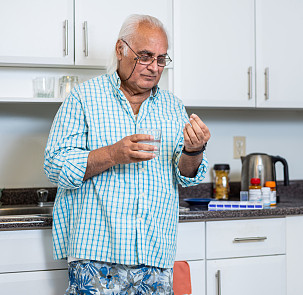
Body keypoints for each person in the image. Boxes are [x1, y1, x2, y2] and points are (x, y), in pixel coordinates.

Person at [44, 14, 210, 294]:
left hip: (155, 255)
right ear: (121, 49)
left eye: (161, 59)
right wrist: (113, 154)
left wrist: (194, 150)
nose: (154, 67)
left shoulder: (173, 107)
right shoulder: (84, 98)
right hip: (96, 255)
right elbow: (55, 165)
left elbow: (187, 176)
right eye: (145, 56)